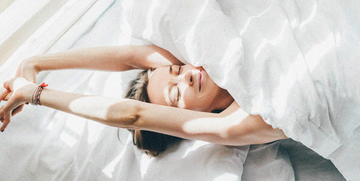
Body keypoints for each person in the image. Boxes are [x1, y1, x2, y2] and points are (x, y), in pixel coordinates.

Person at [0, 45, 287, 156]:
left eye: (177, 69)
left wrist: (34, 62)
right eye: (175, 95)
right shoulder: (240, 122)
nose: (186, 76)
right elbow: (133, 115)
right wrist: (33, 94)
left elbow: (129, 58)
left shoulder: (214, 52)